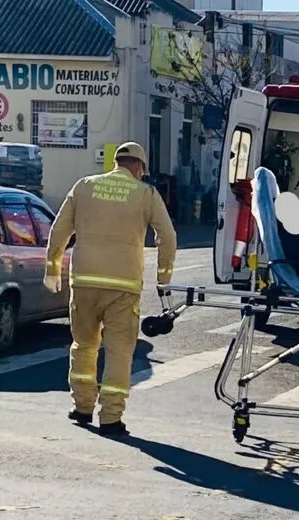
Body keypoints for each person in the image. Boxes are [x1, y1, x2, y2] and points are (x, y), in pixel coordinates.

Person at [43, 142, 177, 436]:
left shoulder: (84, 186)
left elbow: (59, 230)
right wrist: (164, 277)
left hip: (84, 281)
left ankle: (81, 407)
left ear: (115, 162)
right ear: (140, 168)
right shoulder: (146, 194)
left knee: (83, 345)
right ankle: (111, 418)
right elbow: (167, 235)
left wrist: (52, 269)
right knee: (119, 352)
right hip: (123, 286)